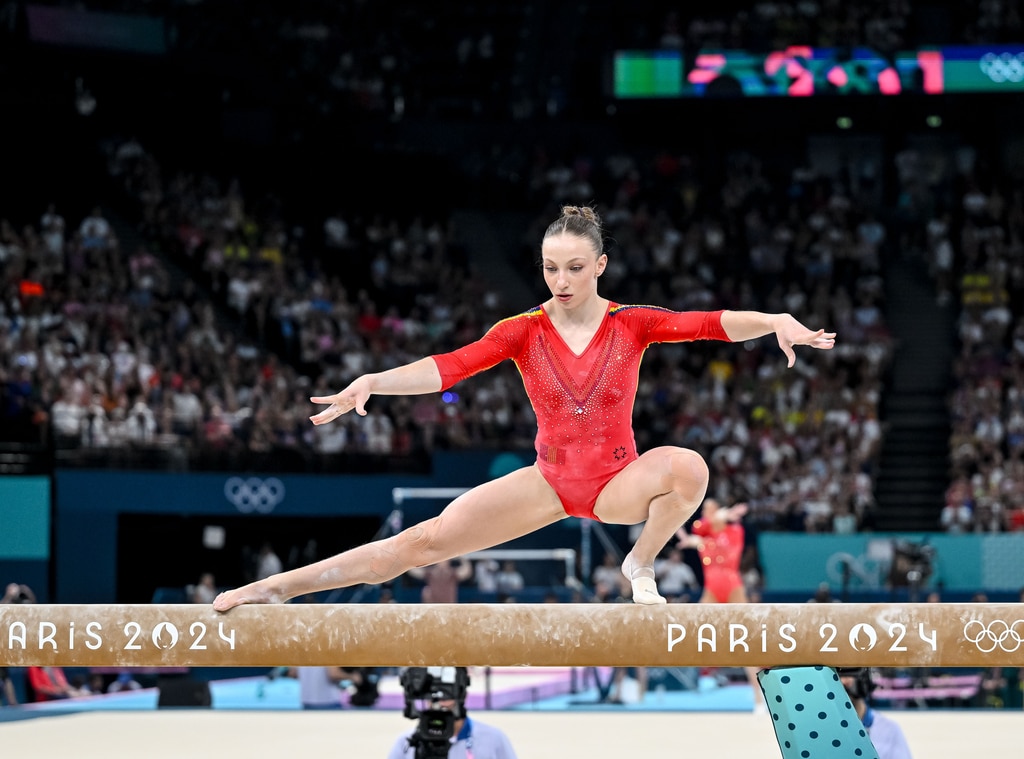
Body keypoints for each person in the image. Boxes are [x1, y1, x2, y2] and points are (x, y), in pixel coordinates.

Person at [213, 205, 835, 613]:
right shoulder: (523, 330)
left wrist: (775, 320)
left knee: (690, 468)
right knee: (419, 543)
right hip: (546, 483)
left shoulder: (634, 324)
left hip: (619, 482)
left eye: (573, 268)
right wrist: (374, 381)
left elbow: (707, 323)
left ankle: (639, 560)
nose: (559, 281)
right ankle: (275, 589)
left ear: (600, 266)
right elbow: (448, 369)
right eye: (548, 268)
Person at [676, 499, 764, 711]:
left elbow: (713, 527)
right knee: (690, 625)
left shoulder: (735, 531)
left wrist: (726, 515)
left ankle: (759, 699)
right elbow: (698, 529)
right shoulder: (702, 536)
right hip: (712, 590)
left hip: (733, 587)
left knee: (748, 645)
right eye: (704, 511)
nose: (707, 514)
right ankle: (704, 673)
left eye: (711, 510)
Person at [387, 667, 517, 759]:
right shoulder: (405, 744)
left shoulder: (493, 739)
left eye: (445, 696)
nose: (439, 703)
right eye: (432, 696)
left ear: (460, 692)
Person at [838, 667, 913, 759]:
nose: (843, 681)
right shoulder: (824, 729)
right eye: (837, 675)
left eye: (848, 674)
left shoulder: (889, 729)